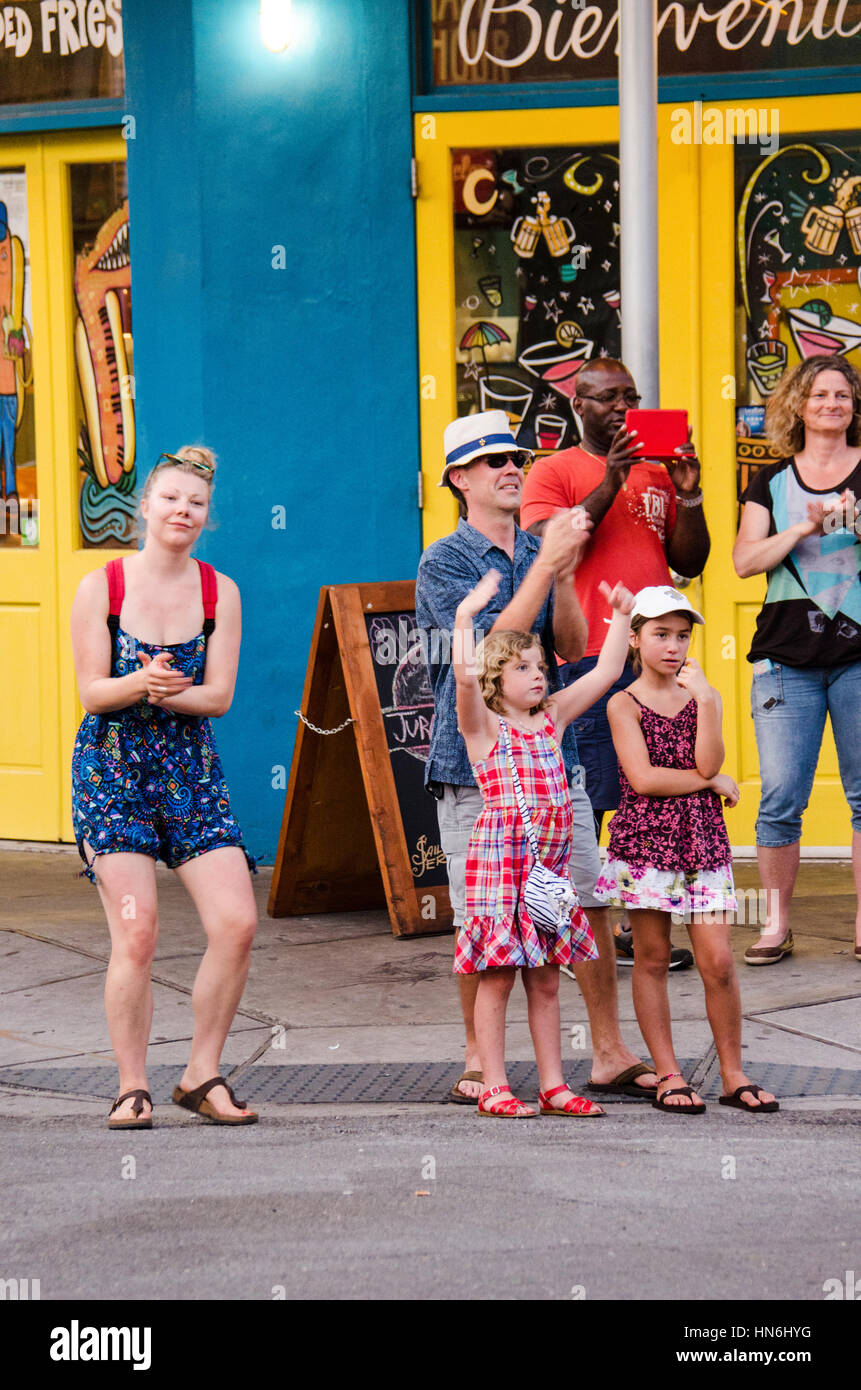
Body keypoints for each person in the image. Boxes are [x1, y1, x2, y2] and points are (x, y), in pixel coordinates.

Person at [416, 409, 659, 1105]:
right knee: (482, 920)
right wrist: (545, 563)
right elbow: (490, 650)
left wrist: (558, 576)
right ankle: (476, 1060)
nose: (510, 468)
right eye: (492, 460)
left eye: (514, 456)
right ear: (458, 479)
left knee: (579, 904)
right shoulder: (445, 560)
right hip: (478, 774)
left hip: (552, 764)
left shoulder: (535, 545)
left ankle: (606, 1051)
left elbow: (572, 645)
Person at [70, 446, 259, 1128]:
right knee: (138, 931)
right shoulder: (103, 587)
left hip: (189, 770)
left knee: (236, 923)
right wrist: (138, 685)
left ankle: (201, 1074)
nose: (183, 511)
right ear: (144, 507)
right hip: (112, 768)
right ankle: (131, 1085)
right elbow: (93, 693)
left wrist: (168, 693)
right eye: (171, 499)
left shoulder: (219, 592)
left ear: (207, 519)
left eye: (196, 503)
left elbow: (219, 698)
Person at [521, 357, 710, 970]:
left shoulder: (656, 472)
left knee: (652, 785)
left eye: (630, 395)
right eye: (607, 398)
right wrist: (612, 477)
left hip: (657, 659)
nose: (623, 406)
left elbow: (691, 559)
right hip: (589, 657)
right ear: (580, 406)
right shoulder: (553, 471)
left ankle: (640, 922)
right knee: (603, 789)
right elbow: (559, 543)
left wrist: (689, 495)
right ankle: (599, 920)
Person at [452, 569, 635, 1118]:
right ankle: (494, 1085)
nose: (538, 675)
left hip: (546, 873)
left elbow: (605, 671)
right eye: (521, 667)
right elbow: (463, 678)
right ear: (493, 678)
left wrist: (622, 618)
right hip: (500, 869)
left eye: (540, 666)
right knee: (499, 976)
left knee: (548, 979)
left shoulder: (551, 721)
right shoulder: (482, 726)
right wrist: (465, 618)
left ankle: (553, 1084)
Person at [594, 586, 778, 1113]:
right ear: (635, 638)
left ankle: (732, 1072)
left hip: (702, 841)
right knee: (651, 958)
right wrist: (711, 782)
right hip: (645, 845)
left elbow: (708, 760)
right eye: (660, 634)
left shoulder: (700, 695)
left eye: (682, 635)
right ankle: (670, 1073)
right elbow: (645, 779)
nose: (673, 646)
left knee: (718, 961)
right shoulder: (621, 703)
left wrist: (709, 702)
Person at [733, 354, 861, 966]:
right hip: (786, 658)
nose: (831, 404)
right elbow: (743, 561)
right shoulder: (771, 481)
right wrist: (802, 530)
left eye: (842, 395)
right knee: (782, 793)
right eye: (819, 395)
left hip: (859, 656)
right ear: (799, 405)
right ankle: (776, 925)